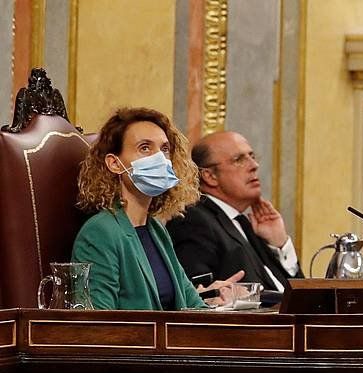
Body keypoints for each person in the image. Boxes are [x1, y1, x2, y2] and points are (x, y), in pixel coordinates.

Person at [72, 107, 243, 311]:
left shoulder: (155, 229)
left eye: (164, 149)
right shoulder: (100, 232)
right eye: (145, 148)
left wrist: (223, 308)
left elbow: (192, 305)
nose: (159, 159)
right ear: (114, 164)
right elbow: (100, 324)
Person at [167, 131, 301, 291]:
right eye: (239, 160)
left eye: (252, 156)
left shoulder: (245, 224)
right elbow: (198, 295)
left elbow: (299, 297)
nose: (254, 166)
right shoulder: (192, 221)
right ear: (210, 176)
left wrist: (279, 244)